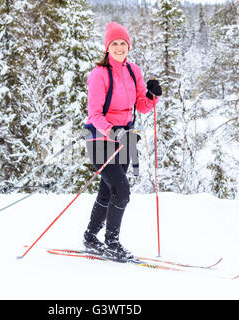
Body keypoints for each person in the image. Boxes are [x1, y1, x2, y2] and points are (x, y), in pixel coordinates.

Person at [82, 22, 162, 261]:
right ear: (107, 48)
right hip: (99, 139)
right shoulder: (99, 74)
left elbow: (143, 106)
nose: (119, 47)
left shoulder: (133, 71)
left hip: (125, 139)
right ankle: (111, 243)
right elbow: (95, 114)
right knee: (122, 191)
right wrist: (111, 130)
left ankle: (90, 237)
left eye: (123, 43)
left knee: (108, 191)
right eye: (114, 43)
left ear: (129, 46)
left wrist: (152, 95)